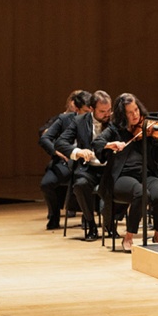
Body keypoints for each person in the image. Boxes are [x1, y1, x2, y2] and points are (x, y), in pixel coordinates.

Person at [92, 93, 158, 251]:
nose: (135, 115)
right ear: (122, 114)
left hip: (147, 174)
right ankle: (128, 237)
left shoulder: (147, 128)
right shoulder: (115, 130)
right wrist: (110, 145)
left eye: (136, 110)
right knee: (141, 194)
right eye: (130, 112)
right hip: (122, 177)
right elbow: (97, 143)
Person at [60, 91, 114, 240]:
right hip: (87, 168)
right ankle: (91, 224)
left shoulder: (114, 121)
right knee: (80, 185)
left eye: (109, 110)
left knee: (126, 184)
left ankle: (110, 223)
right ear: (91, 109)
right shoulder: (79, 121)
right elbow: (61, 142)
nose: (107, 114)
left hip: (109, 168)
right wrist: (78, 151)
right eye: (102, 111)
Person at [40, 90, 93, 229]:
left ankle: (87, 218)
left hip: (87, 164)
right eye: (86, 111)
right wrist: (56, 151)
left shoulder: (96, 121)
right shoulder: (64, 119)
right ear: (76, 108)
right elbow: (45, 137)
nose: (89, 114)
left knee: (84, 183)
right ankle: (54, 215)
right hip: (66, 162)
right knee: (46, 184)